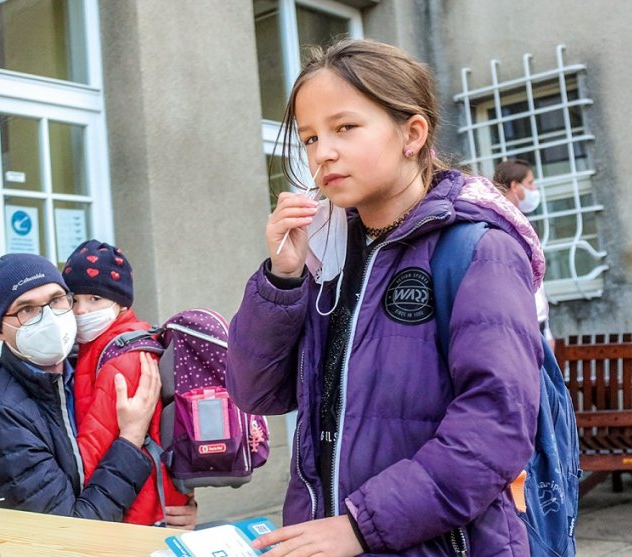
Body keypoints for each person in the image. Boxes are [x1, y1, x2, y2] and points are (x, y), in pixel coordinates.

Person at [226, 40, 543, 556]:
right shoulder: (328, 254)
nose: (323, 152)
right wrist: (282, 279)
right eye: (309, 138)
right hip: (328, 537)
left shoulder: (478, 247)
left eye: (345, 127)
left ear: (412, 134)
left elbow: (496, 427)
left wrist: (358, 526)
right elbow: (254, 393)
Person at [0, 253, 163, 521]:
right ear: (1, 330)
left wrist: (169, 510)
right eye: (26, 309)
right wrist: (131, 437)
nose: (49, 318)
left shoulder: (84, 371)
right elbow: (70, 530)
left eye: (56, 300)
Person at [63, 239, 195, 529]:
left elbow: (93, 450)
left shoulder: (123, 359)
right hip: (141, 499)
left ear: (121, 302)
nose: (81, 311)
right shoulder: (100, 346)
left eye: (94, 299)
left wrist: (60, 490)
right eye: (74, 300)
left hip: (138, 510)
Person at [493, 159, 555, 350]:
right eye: (530, 183)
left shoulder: (524, 225)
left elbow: (538, 285)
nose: (534, 189)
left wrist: (548, 331)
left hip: (539, 328)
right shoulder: (501, 228)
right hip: (524, 332)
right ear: (514, 186)